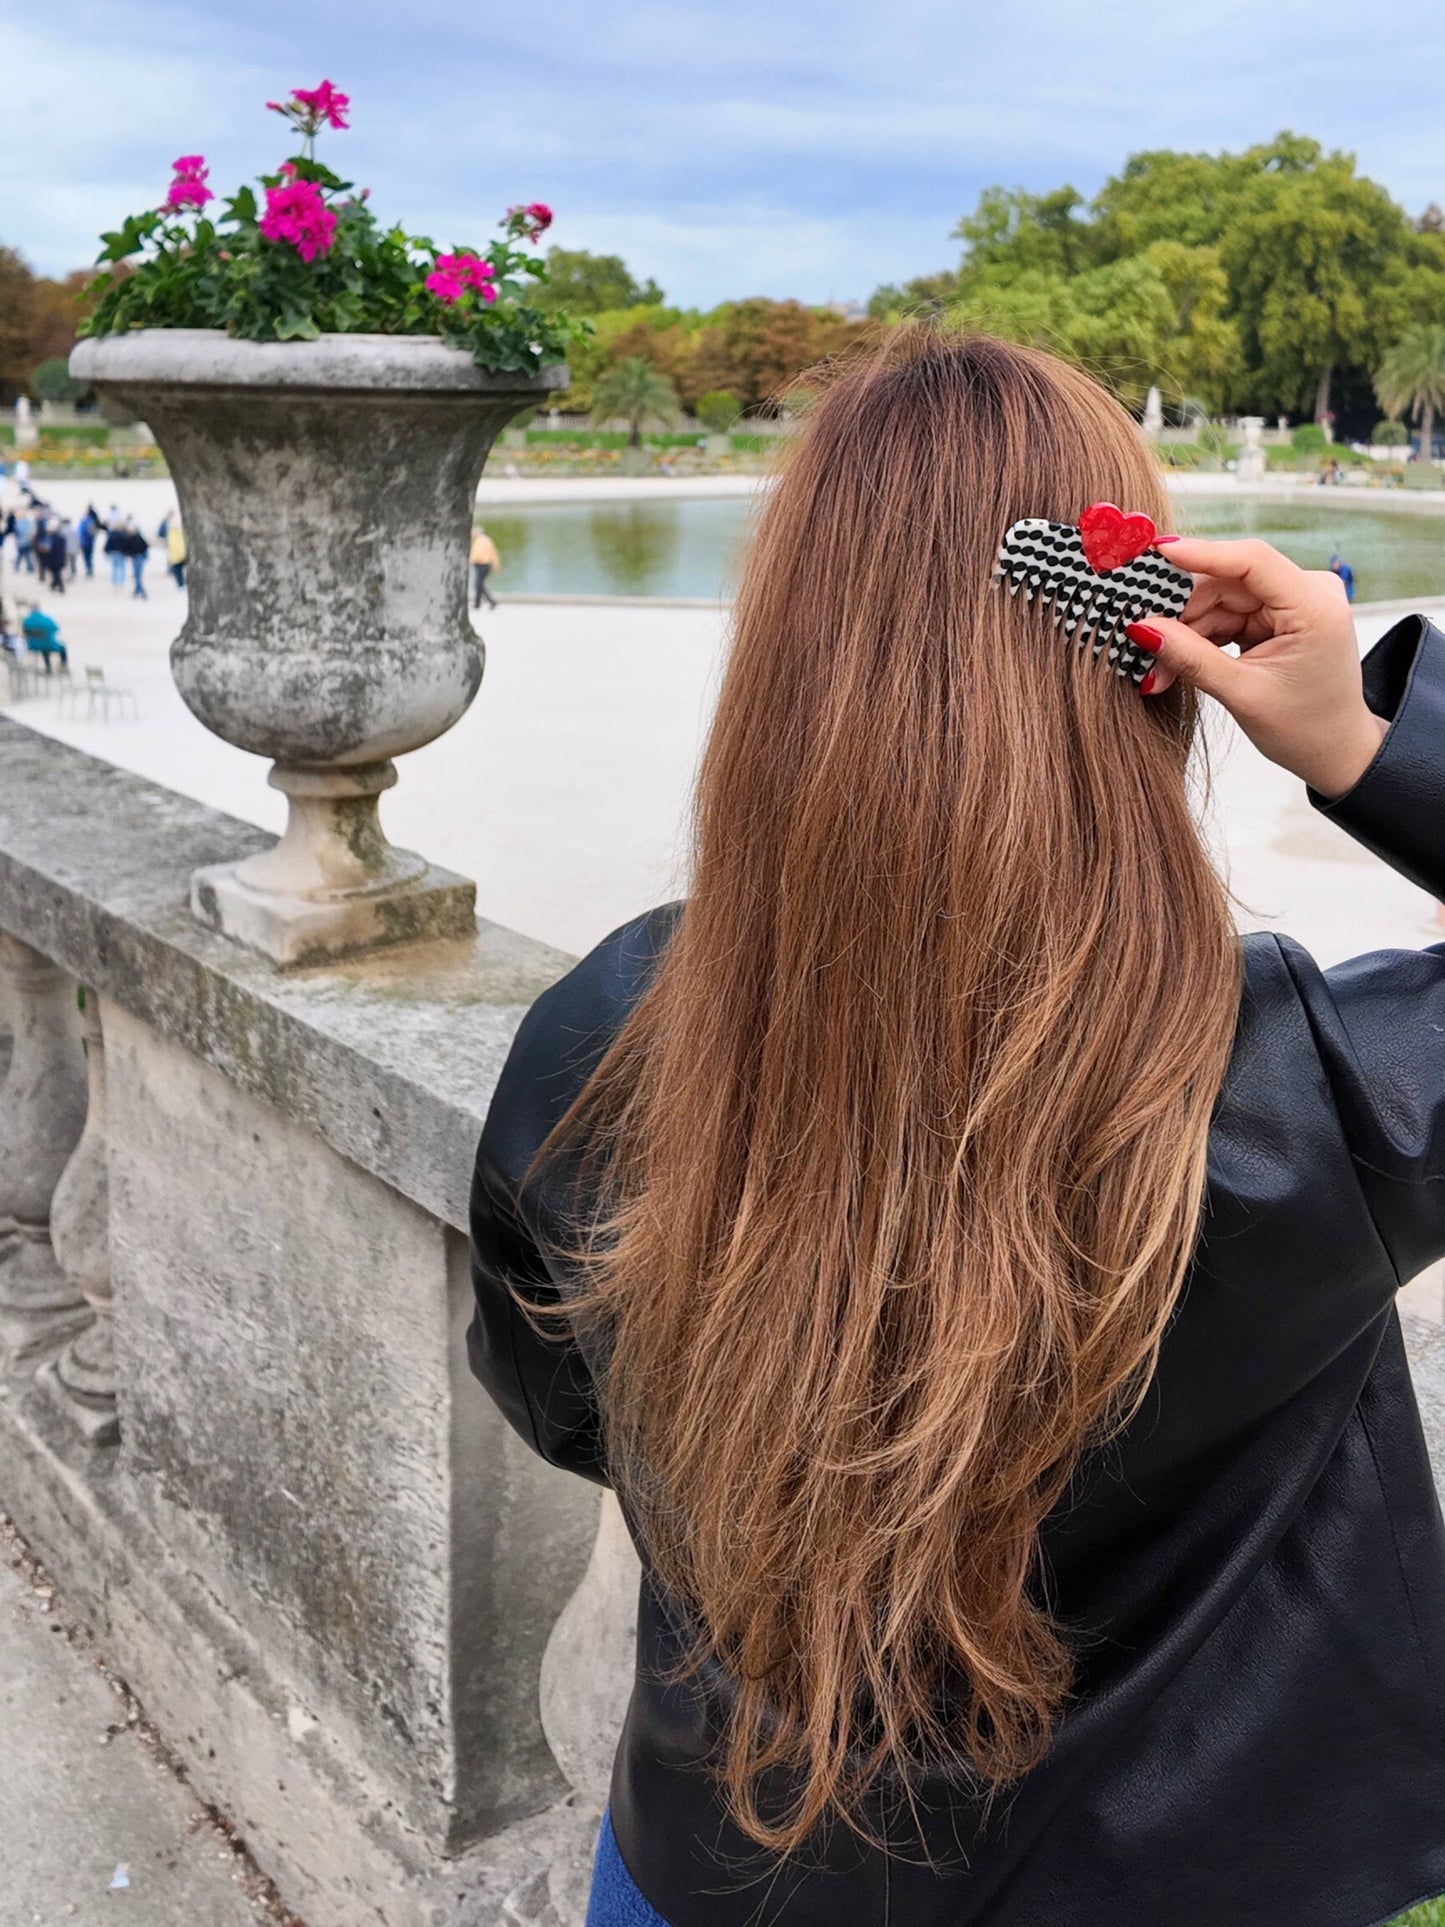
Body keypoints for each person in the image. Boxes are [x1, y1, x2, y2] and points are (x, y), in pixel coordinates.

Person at [468, 335, 1445, 1927]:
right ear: (1150, 647)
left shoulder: (605, 1031)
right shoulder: (1313, 1092)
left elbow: (560, 1395)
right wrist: (1359, 738)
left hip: (724, 1866)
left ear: (792, 638)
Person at [20, 605, 68, 672]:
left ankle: (48, 667)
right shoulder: (46, 619)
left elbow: (24, 632)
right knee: (61, 646)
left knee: (44, 646)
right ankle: (63, 666)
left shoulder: (26, 620)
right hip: (47, 644)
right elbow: (55, 628)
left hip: (32, 645)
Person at [469, 523, 500, 609]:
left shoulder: (480, 541)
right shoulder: (484, 540)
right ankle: (479, 603)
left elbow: (477, 554)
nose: (472, 535)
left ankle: (488, 602)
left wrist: (470, 560)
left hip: (482, 565)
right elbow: (494, 553)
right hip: (483, 565)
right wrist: (496, 565)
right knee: (479, 585)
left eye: (473, 533)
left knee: (478, 585)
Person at [118, 517, 148, 598]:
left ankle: (141, 591)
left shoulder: (136, 537)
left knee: (137, 575)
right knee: (136, 575)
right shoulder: (130, 538)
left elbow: (145, 546)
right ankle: (137, 591)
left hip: (138, 557)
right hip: (136, 557)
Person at [160, 509, 186, 590]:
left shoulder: (170, 527)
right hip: (176, 552)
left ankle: (181, 584)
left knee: (178, 569)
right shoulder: (167, 526)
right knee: (177, 569)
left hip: (179, 552)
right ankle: (181, 584)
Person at [103, 517, 127, 589]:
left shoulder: (111, 535)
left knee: (114, 568)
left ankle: (115, 582)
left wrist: (106, 551)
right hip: (120, 553)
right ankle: (121, 581)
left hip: (113, 553)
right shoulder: (123, 535)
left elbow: (108, 544)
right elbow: (125, 545)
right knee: (121, 568)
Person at [78, 505, 100, 578]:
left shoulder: (83, 523)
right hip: (89, 542)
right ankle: (90, 569)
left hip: (85, 542)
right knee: (89, 556)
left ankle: (89, 569)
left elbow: (79, 533)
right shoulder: (91, 521)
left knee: (86, 557)